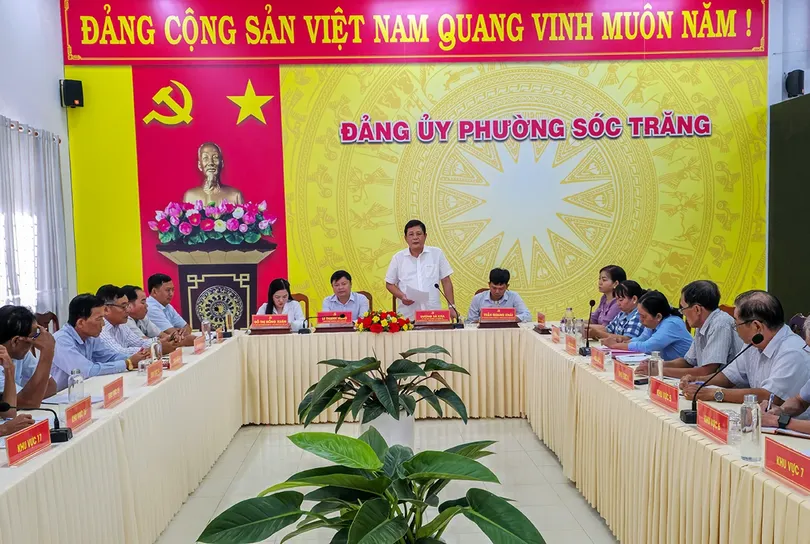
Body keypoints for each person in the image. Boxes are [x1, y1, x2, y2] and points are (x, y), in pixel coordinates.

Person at [681, 290, 810, 409]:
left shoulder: (792, 352)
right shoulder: (755, 342)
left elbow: (770, 396)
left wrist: (715, 393)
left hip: (789, 424)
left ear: (756, 326)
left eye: (736, 323)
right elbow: (729, 377)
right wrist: (698, 381)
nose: (735, 328)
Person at [638, 280, 742, 378]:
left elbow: (706, 372)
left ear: (697, 309)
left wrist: (658, 370)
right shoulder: (701, 324)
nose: (682, 313)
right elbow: (687, 362)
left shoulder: (720, 324)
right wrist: (657, 364)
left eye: (683, 308)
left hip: (729, 387)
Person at [51, 295, 150, 390]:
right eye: (99, 319)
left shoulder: (90, 336)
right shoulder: (61, 341)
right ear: (81, 323)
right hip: (62, 396)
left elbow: (110, 357)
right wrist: (127, 363)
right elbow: (87, 371)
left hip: (85, 388)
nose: (103, 324)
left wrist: (136, 357)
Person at [385, 219, 456, 320]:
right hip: (408, 316)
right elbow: (389, 284)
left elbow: (446, 281)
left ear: (425, 236)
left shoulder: (437, 254)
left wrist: (451, 306)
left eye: (419, 234)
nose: (415, 237)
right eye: (411, 234)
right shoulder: (398, 258)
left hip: (433, 315)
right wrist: (402, 296)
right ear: (405, 238)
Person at [602, 290, 692, 360]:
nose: (640, 320)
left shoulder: (671, 324)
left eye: (643, 316)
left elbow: (647, 347)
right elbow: (642, 338)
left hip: (684, 370)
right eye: (639, 315)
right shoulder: (653, 323)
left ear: (658, 316)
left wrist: (614, 345)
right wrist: (624, 342)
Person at [0, 305, 58, 408]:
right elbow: (29, 402)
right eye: (33, 337)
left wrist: (30, 396)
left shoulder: (20, 353)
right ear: (15, 341)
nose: (34, 342)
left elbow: (51, 386)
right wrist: (47, 352)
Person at [121, 285, 180, 354]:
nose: (147, 305)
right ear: (129, 305)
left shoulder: (142, 318)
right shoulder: (126, 321)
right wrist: (165, 341)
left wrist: (172, 337)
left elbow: (161, 334)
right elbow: (143, 342)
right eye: (143, 302)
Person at [97, 284, 153, 358]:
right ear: (106, 309)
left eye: (127, 306)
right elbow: (119, 352)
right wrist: (149, 349)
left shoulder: (121, 325)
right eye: (123, 307)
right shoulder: (99, 328)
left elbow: (140, 342)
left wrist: (160, 342)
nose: (128, 310)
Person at [145, 274, 196, 347]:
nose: (171, 294)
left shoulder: (167, 306)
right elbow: (173, 335)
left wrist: (182, 332)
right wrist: (179, 333)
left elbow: (187, 327)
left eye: (173, 290)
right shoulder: (150, 307)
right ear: (154, 292)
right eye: (168, 290)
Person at [466, 268, 531, 323]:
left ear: (507, 286)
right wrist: (483, 320)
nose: (497, 291)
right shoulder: (478, 298)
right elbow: (470, 322)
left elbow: (528, 316)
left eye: (501, 288)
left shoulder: (514, 296)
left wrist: (509, 318)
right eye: (494, 288)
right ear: (489, 284)